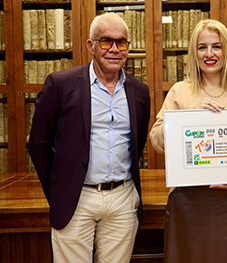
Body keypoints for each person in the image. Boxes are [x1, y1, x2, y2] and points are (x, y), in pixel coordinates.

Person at [28, 13, 150, 263]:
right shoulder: (61, 84)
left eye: (122, 42)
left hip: (122, 198)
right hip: (77, 198)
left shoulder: (140, 91)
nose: (114, 49)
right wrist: (60, 190)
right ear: (91, 46)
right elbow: (38, 144)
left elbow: (136, 143)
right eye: (106, 41)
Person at [149, 19, 227, 263]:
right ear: (194, 53)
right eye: (202, 47)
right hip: (188, 200)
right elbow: (156, 140)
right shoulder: (179, 91)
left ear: (226, 51)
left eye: (217, 46)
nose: (209, 54)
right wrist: (188, 119)